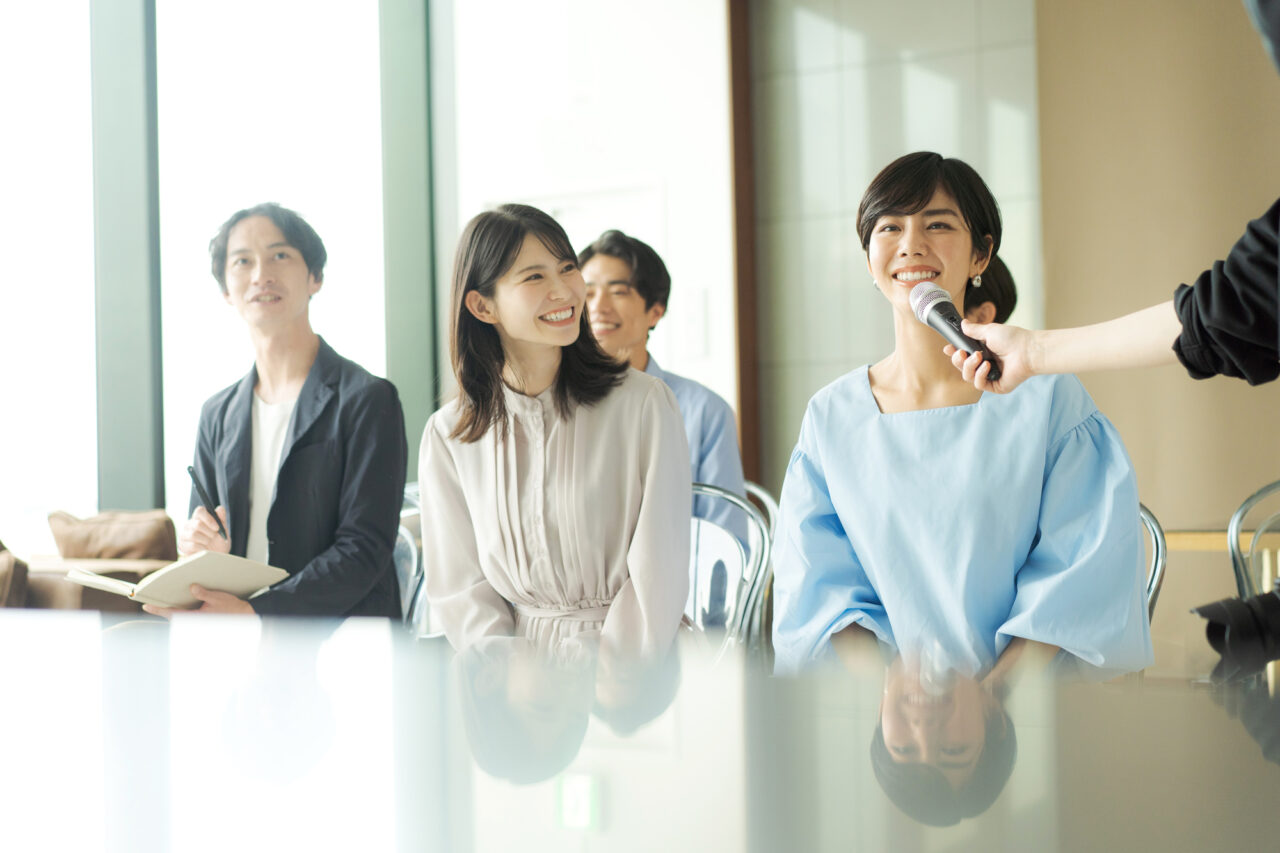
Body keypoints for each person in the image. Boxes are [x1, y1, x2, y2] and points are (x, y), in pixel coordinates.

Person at [771, 152, 1153, 677]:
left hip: (1029, 718)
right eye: (889, 227)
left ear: (981, 255)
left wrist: (993, 704)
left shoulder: (1046, 399)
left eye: (938, 224)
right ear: (869, 260)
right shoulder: (831, 418)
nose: (911, 243)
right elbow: (819, 588)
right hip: (884, 731)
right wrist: (899, 708)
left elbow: (1080, 575)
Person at [418, 204, 691, 662]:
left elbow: (659, 571)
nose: (564, 290)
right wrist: (512, 673)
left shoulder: (644, 404)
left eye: (567, 268)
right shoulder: (450, 435)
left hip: (637, 666)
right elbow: (459, 587)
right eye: (534, 277)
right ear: (482, 306)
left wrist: (614, 677)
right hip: (514, 678)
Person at [147, 203, 407, 619]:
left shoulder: (367, 399)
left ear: (315, 277)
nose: (260, 274)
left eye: (279, 255)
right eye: (243, 261)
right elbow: (207, 539)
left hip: (346, 643)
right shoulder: (217, 414)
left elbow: (364, 550)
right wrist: (200, 550)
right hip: (237, 643)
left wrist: (259, 612)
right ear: (226, 292)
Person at [579, 230, 747, 533]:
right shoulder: (558, 403)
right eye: (587, 293)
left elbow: (724, 538)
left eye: (618, 291)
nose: (598, 306)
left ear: (655, 311)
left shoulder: (705, 411)